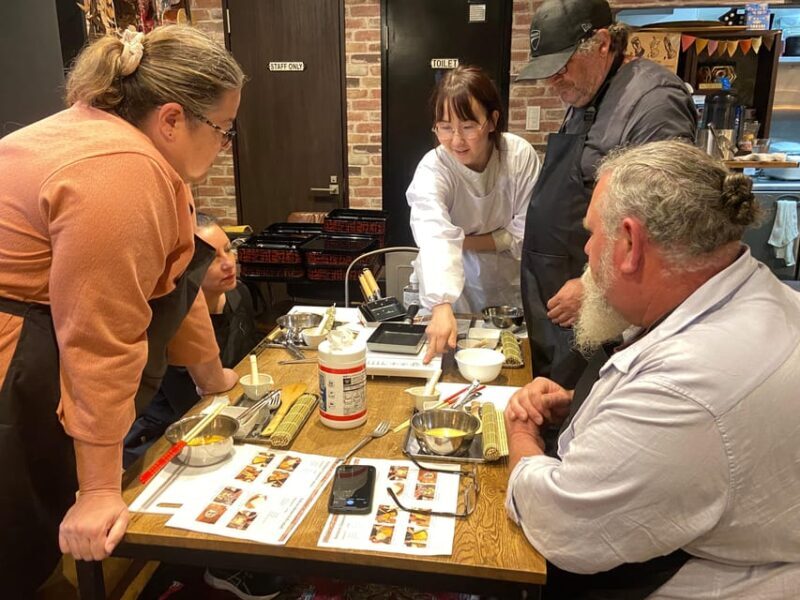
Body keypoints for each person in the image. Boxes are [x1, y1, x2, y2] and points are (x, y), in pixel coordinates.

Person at [0, 26, 244, 596]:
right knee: (21, 554)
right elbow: (99, 338)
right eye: (224, 129)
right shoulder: (120, 170)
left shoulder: (135, 153)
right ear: (172, 119)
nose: (225, 145)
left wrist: (213, 379)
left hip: (40, 334)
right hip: (15, 353)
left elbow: (173, 281)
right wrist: (98, 492)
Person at [505, 140, 800, 598]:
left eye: (591, 234)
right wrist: (587, 408)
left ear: (629, 243)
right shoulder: (751, 291)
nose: (587, 249)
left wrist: (522, 433)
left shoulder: (687, 384)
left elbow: (561, 522)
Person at [516, 0, 697, 388]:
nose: (553, 82)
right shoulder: (587, 93)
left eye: (561, 67)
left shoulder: (655, 102)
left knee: (584, 410)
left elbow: (664, 223)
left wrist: (592, 286)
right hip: (562, 310)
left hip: (598, 311)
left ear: (601, 43)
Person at [406, 65, 541, 363]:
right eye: (445, 127)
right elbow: (434, 233)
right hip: (449, 283)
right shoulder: (434, 167)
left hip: (505, 285)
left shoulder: (518, 156)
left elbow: (525, 232)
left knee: (508, 361)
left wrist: (461, 241)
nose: (456, 141)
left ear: (492, 121)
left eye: (468, 126)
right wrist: (441, 304)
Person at [124, 213, 261, 467]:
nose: (228, 263)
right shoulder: (170, 320)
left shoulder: (239, 294)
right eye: (211, 258)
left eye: (228, 250)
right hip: (166, 441)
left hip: (228, 417)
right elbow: (194, 398)